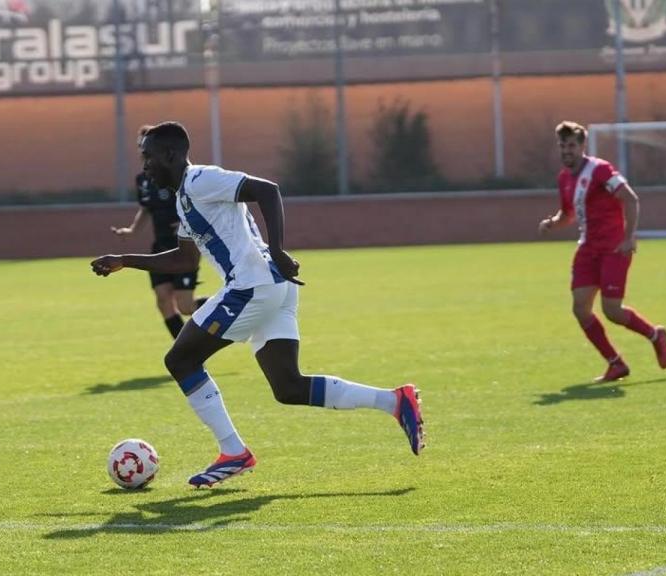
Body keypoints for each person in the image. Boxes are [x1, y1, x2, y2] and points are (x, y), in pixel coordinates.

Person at [92, 122, 424, 488]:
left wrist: (278, 249)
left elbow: (267, 190)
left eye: (149, 157)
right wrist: (125, 259)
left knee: (180, 359)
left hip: (252, 287)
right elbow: (184, 261)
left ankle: (233, 451)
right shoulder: (184, 201)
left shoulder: (201, 179)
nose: (145, 166)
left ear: (170, 155)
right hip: (274, 287)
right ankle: (395, 401)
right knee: (289, 387)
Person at [538, 121, 666, 382]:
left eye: (571, 146)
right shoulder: (564, 178)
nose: (566, 151)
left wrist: (629, 236)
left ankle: (655, 335)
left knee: (611, 310)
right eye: (562, 145)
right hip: (587, 248)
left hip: (613, 247)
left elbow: (630, 199)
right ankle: (616, 363)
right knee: (580, 309)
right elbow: (568, 214)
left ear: (582, 146)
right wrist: (553, 223)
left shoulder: (600, 170)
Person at [112, 126, 205, 338]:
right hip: (160, 245)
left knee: (186, 306)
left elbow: (196, 200)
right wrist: (132, 230)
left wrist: (186, 222)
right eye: (139, 146)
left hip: (183, 246)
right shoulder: (143, 180)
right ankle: (187, 351)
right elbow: (146, 208)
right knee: (163, 301)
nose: (142, 150)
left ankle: (232, 306)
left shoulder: (180, 174)